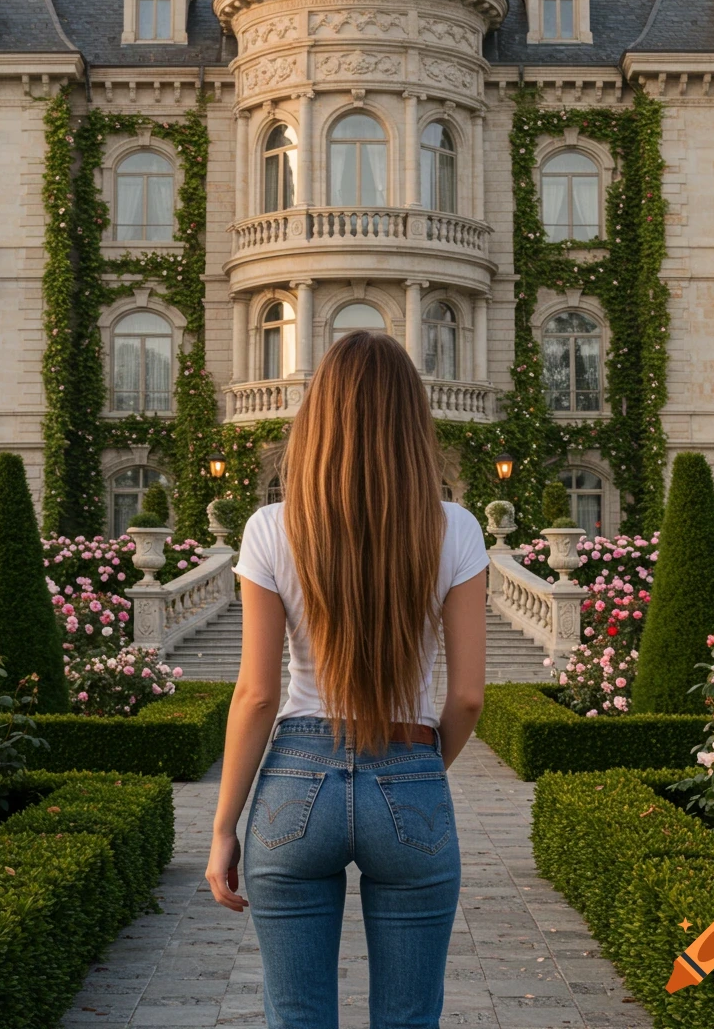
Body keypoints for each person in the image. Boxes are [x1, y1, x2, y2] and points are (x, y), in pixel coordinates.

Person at [205, 330, 488, 1029]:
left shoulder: (271, 528)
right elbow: (469, 695)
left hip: (295, 782)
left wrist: (222, 830)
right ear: (412, 421)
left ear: (318, 418)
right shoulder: (454, 528)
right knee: (409, 1017)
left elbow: (258, 694)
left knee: (296, 1016)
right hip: (410, 768)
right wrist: (418, 764)